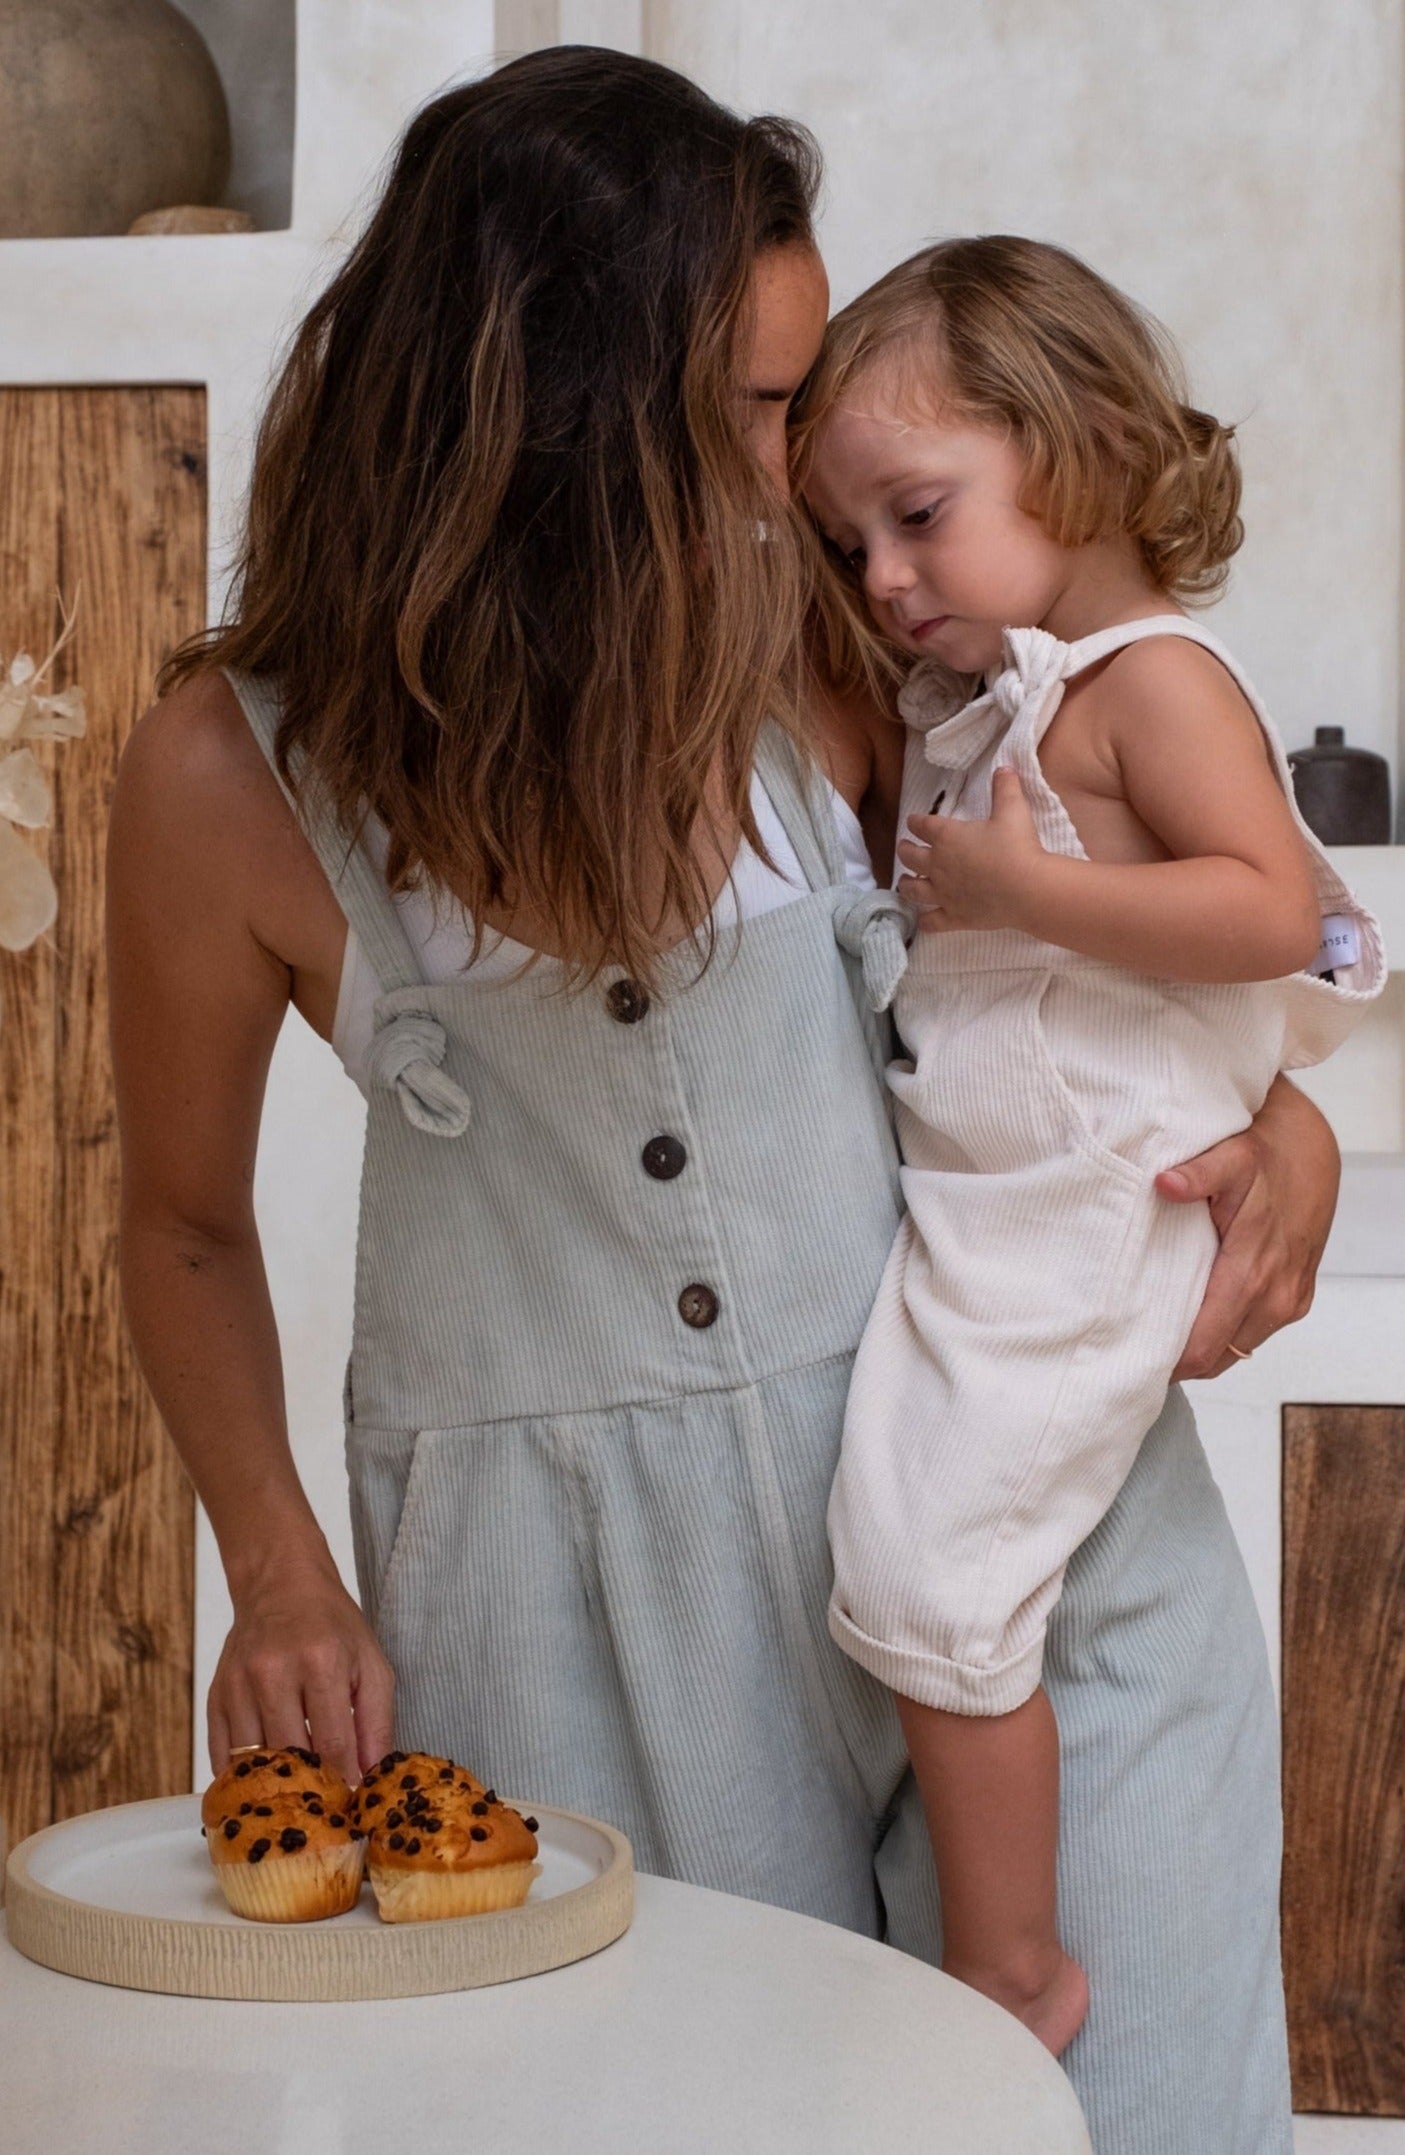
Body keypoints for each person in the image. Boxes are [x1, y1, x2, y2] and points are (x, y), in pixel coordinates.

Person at [107, 48, 1333, 2152]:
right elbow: (187, 1223)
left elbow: (1125, 925)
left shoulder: (833, 638)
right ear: (563, 409)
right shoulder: (232, 780)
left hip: (1025, 1542)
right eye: (758, 408)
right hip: (576, 1643)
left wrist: (1285, 1124)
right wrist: (287, 1576)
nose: (804, 477)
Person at [799, 234, 1385, 2059]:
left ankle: (1012, 1964)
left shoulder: (1147, 678)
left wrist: (1020, 888)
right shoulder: (1006, 692)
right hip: (1001, 1202)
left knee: (931, 1581)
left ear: (1067, 448)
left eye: (914, 517)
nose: (885, 582)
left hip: (1089, 1202)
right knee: (900, 1568)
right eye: (849, 548)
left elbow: (1278, 908)